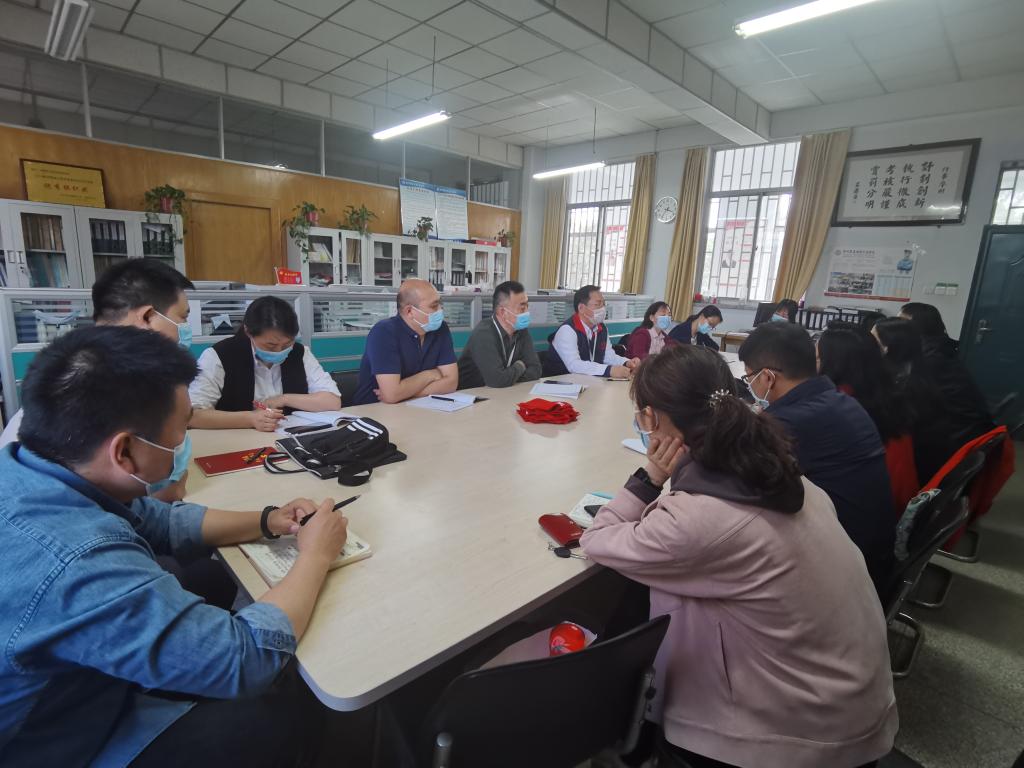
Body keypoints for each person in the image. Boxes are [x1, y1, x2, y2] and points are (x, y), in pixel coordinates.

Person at [0, 326, 350, 767]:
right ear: (124, 452)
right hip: (61, 739)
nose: (183, 443)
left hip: (76, 685)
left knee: (212, 576)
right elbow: (245, 659)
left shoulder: (33, 468)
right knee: (272, 717)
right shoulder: (77, 561)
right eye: (179, 432)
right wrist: (316, 555)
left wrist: (269, 519)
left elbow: (159, 520)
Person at [581, 346, 897, 768]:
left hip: (795, 739)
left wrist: (649, 477)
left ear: (653, 419)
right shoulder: (782, 474)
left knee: (629, 606)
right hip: (848, 702)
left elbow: (598, 539)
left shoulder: (699, 519)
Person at [739, 322, 895, 593]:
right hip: (872, 551)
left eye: (749, 377)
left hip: (841, 571)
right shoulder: (841, 402)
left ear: (768, 377)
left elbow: (737, 483)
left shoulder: (787, 423)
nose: (749, 385)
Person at [0, 258, 194, 449]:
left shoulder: (121, 375)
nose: (185, 327)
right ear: (148, 317)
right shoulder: (78, 393)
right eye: (183, 317)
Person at [189, 296, 341, 431]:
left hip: (288, 438)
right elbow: (193, 415)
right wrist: (250, 419)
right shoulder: (219, 356)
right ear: (248, 332)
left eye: (287, 344)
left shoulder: (300, 353)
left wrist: (283, 398)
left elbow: (332, 401)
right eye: (271, 345)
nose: (279, 351)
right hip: (236, 443)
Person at [874, 317, 993, 484]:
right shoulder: (920, 371)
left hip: (918, 471)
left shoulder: (904, 388)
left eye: (873, 339)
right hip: (935, 461)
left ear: (886, 348)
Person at [817, 327, 919, 512]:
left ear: (832, 364)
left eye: (817, 358)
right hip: (895, 502)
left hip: (865, 510)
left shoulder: (839, 407)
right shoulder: (886, 395)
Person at [353, 278, 458, 405]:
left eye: (440, 304)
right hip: (374, 409)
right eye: (434, 306)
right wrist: (430, 375)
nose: (440, 310)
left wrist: (404, 394)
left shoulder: (440, 329)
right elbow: (391, 395)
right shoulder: (384, 332)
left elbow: (451, 383)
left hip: (419, 406)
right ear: (410, 311)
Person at [458, 280, 541, 388]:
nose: (526, 312)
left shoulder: (521, 330)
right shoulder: (483, 333)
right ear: (503, 312)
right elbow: (497, 380)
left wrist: (509, 377)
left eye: (527, 306)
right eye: (522, 308)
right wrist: (520, 365)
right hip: (470, 392)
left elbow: (536, 370)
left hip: (501, 392)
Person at [549, 285, 639, 378]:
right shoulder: (567, 330)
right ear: (581, 308)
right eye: (598, 304)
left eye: (603, 304)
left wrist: (627, 362)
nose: (603, 308)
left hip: (589, 381)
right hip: (561, 382)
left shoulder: (602, 328)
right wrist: (609, 370)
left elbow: (608, 356)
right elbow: (574, 365)